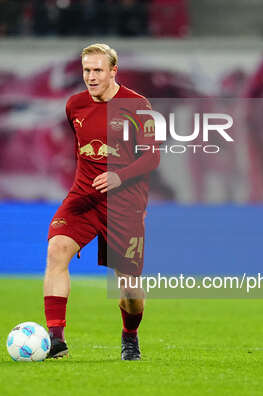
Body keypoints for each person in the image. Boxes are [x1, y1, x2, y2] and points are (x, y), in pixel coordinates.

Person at [43, 43, 160, 360]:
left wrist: (119, 177)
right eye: (86, 70)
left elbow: (152, 156)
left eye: (97, 70)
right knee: (56, 250)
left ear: (113, 71)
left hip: (124, 206)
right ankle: (56, 341)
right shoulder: (74, 106)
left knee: (130, 292)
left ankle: (130, 335)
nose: (91, 77)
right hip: (83, 200)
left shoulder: (138, 106)